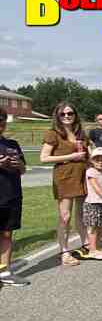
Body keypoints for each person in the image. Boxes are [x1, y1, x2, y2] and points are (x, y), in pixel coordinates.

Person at [40, 102, 88, 266]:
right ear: (58, 116)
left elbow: (87, 156)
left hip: (82, 177)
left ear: (75, 115)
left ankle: (86, 245)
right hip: (64, 178)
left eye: (70, 113)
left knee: (81, 215)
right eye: (63, 114)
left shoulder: (81, 133)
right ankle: (65, 252)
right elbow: (44, 158)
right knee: (65, 217)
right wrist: (70, 157)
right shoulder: (53, 134)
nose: (67, 116)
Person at [0, 107, 30, 286]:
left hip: (12, 195)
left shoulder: (13, 144)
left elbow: (24, 170)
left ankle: (4, 272)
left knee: (6, 234)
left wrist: (19, 164)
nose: (1, 123)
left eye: (3, 120)